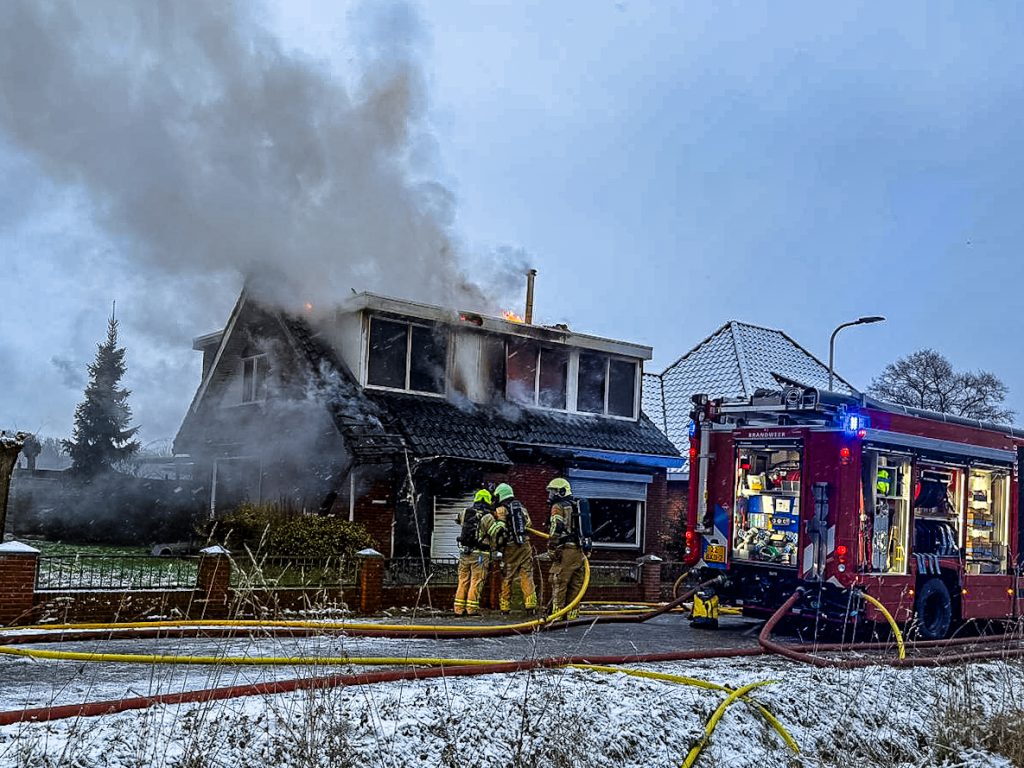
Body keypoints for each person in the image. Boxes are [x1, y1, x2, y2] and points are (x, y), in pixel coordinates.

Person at [546, 477, 590, 620]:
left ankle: (557, 614)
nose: (550, 496)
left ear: (561, 491)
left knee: (559, 580)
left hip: (566, 549)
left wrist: (552, 545)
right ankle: (572, 613)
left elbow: (556, 526)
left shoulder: (558, 506)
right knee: (575, 583)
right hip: (578, 549)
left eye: (553, 492)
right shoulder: (576, 505)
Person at [492, 482, 537, 615]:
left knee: (508, 576)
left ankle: (505, 607)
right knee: (527, 575)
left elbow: (499, 529)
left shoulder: (501, 509)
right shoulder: (521, 507)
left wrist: (496, 546)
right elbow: (528, 523)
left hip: (510, 547)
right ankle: (530, 606)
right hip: (525, 544)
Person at [453, 489, 493, 616]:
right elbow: (494, 533)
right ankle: (471, 610)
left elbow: (458, 520)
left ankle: (458, 610)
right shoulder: (488, 517)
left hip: (465, 553)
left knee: (463, 580)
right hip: (480, 555)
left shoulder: (465, 512)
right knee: (476, 580)